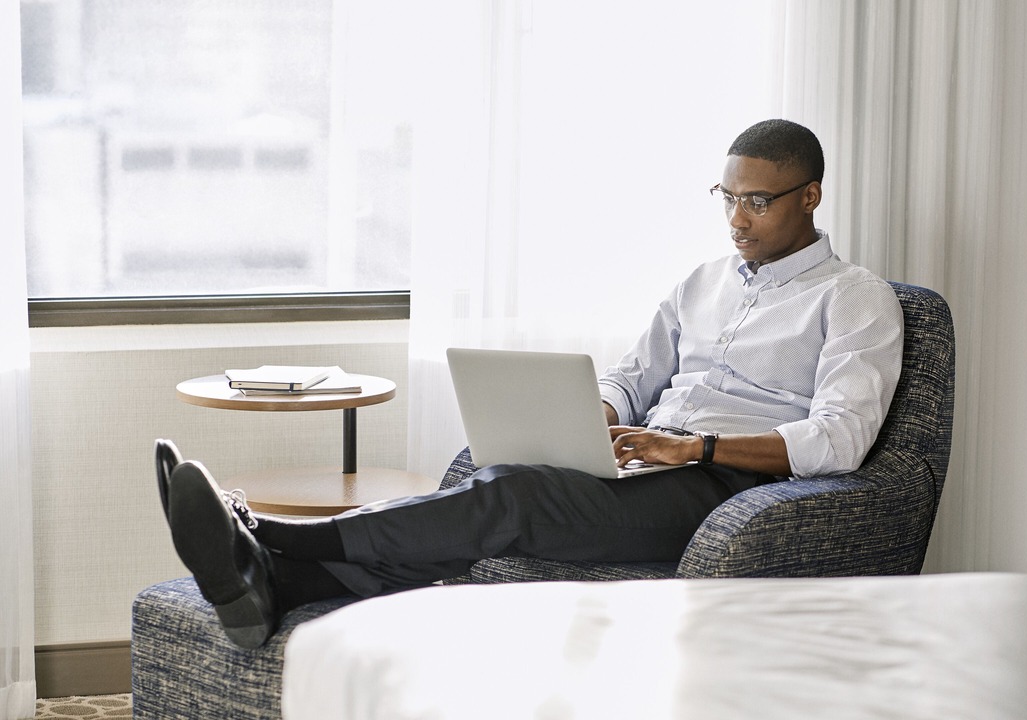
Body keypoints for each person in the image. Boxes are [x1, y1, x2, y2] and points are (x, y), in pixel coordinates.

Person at [159, 118, 905, 649]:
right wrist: (596, 414)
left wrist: (697, 449)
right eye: (727, 196)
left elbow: (839, 440)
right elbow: (631, 376)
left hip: (719, 489)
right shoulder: (701, 282)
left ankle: (270, 535)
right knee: (501, 480)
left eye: (759, 201)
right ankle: (273, 588)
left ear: (809, 197)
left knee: (512, 494)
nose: (737, 219)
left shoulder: (854, 297)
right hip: (646, 462)